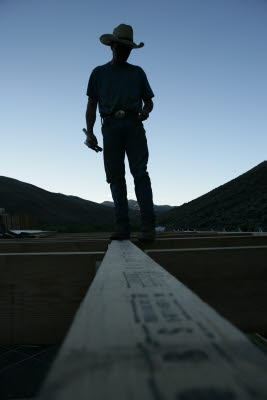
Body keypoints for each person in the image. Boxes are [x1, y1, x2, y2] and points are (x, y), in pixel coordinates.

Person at [85, 24, 156, 241]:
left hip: (134, 125)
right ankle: (123, 227)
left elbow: (149, 101)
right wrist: (90, 132)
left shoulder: (138, 72)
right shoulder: (98, 73)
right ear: (112, 46)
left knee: (140, 174)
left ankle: (148, 228)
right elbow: (91, 105)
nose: (124, 52)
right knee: (115, 178)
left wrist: (145, 111)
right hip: (109, 127)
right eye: (121, 47)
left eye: (128, 49)